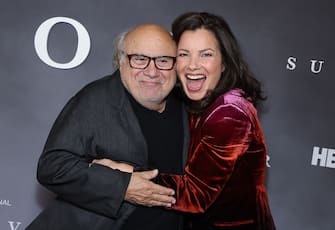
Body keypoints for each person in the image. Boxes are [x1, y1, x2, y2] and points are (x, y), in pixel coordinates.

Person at [100, 12, 276, 230]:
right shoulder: (192, 102)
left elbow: (195, 194)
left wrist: (121, 175)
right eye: (184, 54)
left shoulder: (230, 111)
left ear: (224, 63)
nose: (193, 65)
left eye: (206, 55)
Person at [27, 24, 190, 230]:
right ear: (122, 61)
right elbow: (52, 167)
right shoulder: (95, 100)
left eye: (163, 60)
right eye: (139, 59)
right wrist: (122, 186)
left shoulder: (188, 107)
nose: (152, 71)